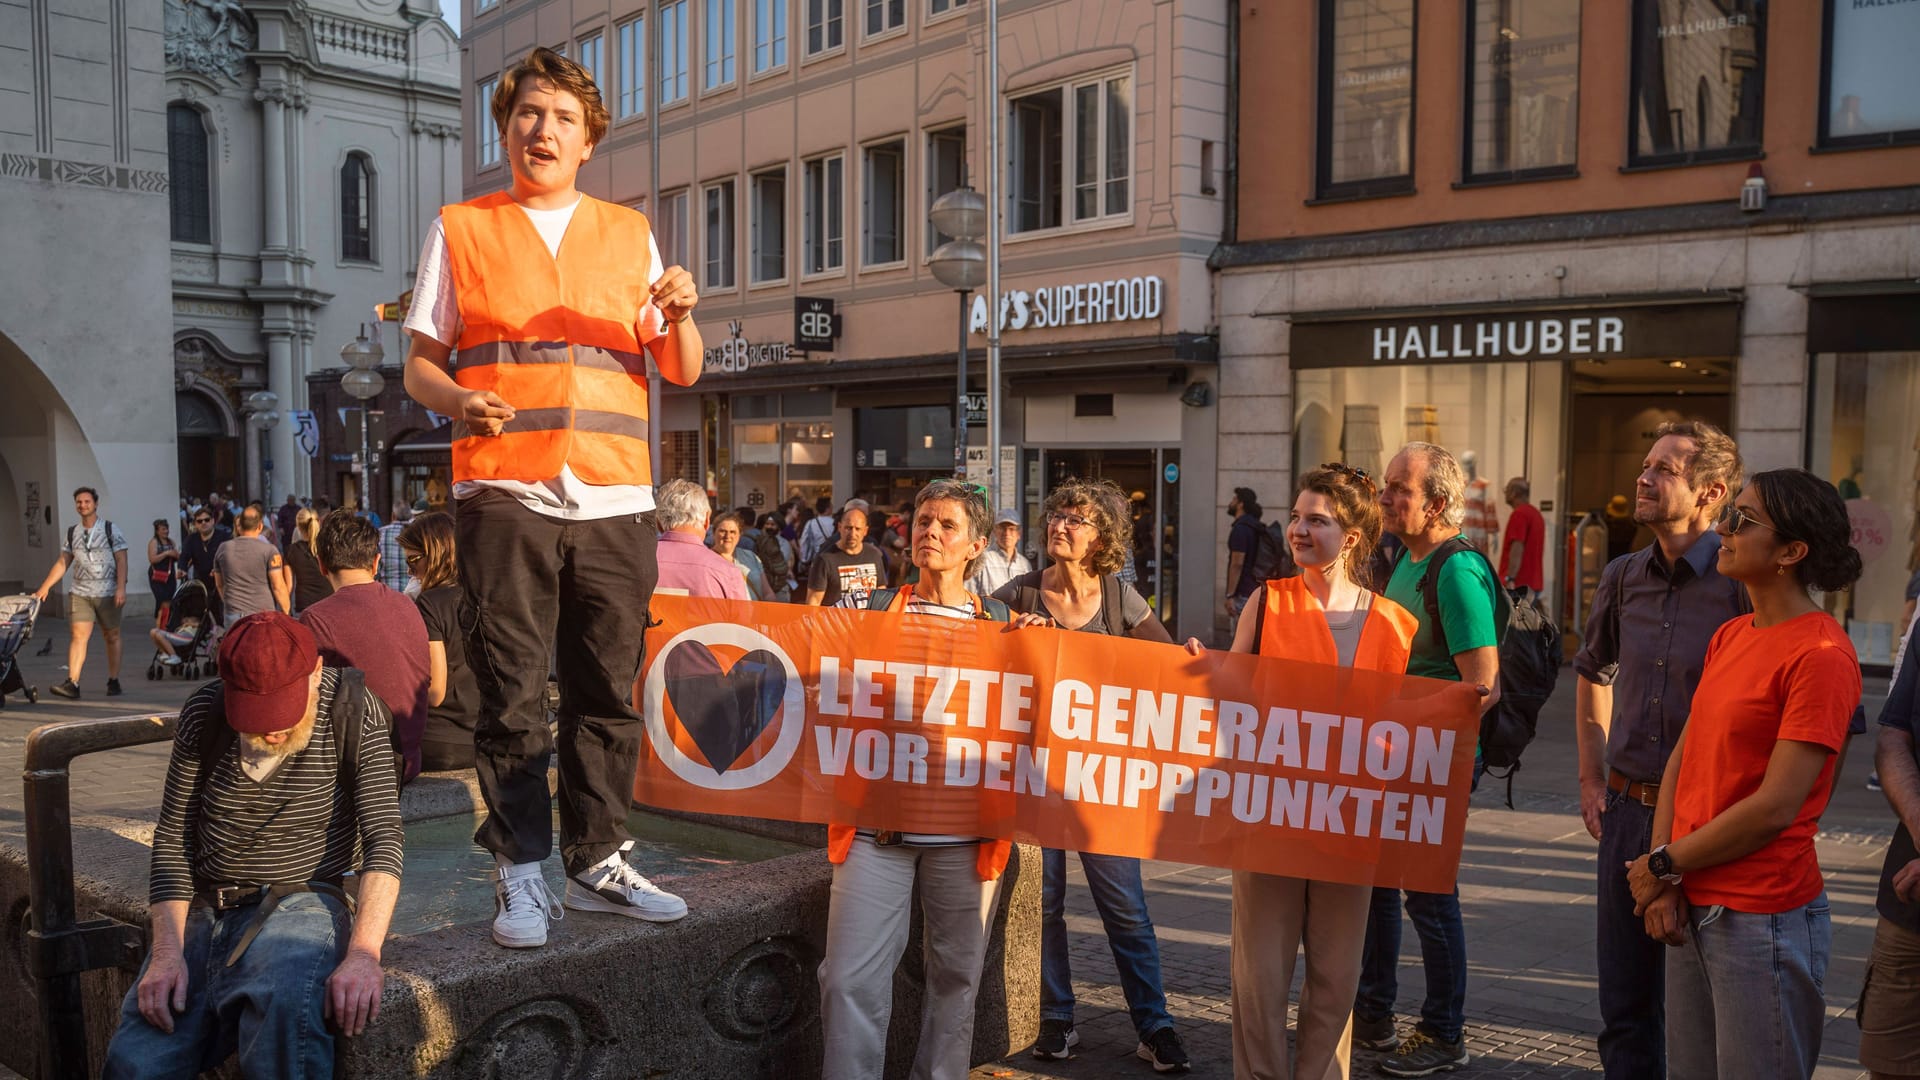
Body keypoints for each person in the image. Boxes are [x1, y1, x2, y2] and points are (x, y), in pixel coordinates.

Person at [400, 46, 703, 948]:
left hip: (614, 494)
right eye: (529, 114)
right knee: (512, 689)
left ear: (587, 140)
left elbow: (680, 368)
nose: (543, 129)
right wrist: (459, 399)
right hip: (504, 487)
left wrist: (684, 310)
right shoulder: (462, 227)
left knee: (610, 686)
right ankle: (522, 871)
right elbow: (420, 363)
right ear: (505, 131)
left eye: (563, 117)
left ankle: (597, 854)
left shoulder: (628, 231)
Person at [1627, 469, 1865, 1080]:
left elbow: (1776, 807)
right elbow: (1685, 757)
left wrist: (1662, 864)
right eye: (1730, 512)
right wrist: (1667, 872)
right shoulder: (1731, 634)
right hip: (1694, 896)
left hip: (1764, 917)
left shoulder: (1821, 655)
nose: (1725, 528)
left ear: (1791, 552)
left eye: (1744, 519)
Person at [99, 612, 402, 1080]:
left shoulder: (355, 710)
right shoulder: (205, 713)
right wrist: (166, 953)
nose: (271, 733)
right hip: (208, 905)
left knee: (284, 1016)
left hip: (301, 896)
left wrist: (364, 954)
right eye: (256, 719)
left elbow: (384, 837)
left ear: (315, 672)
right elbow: (173, 840)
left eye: (281, 715)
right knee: (137, 1059)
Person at [1228, 463, 1425, 1080]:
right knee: (1259, 982)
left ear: (1354, 538)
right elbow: (1227, 695)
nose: (1298, 529)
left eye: (1317, 520)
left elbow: (1403, 723)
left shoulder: (1394, 624)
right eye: (1296, 516)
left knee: (1336, 984)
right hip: (1270, 822)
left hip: (1349, 830)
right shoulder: (1267, 603)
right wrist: (1191, 673)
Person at [995, 479, 1193, 1074]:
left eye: (1078, 520)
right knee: (1045, 903)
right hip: (1036, 785)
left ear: (1101, 536)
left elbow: (1169, 669)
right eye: (1057, 516)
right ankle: (1058, 1018)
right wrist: (1009, 638)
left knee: (1125, 907)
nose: (1062, 526)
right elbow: (978, 670)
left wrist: (1190, 659)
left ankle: (1154, 1025)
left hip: (1102, 787)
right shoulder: (1017, 595)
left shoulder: (1119, 599)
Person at [817, 479, 1011, 1080]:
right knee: (847, 979)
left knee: (957, 981)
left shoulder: (1004, 625)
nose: (929, 532)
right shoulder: (873, 610)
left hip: (966, 837)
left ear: (975, 545)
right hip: (877, 835)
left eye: (947, 525)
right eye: (923, 521)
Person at [1573, 421, 1748, 1080]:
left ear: (1711, 492)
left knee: (1702, 1011)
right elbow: (1592, 669)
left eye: (1664, 469)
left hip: (1706, 823)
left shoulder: (1739, 582)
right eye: (1646, 465)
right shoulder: (1623, 576)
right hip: (1623, 812)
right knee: (1625, 1006)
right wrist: (1592, 779)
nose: (1643, 478)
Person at [1355, 442, 1502, 1078]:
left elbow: (1484, 688)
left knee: (1428, 896)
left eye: (1399, 489)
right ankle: (1374, 1014)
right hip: (1401, 756)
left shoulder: (1455, 570)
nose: (1384, 498)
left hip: (1433, 761)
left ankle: (1445, 1031)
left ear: (1438, 503)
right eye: (1386, 486)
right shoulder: (1408, 560)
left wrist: (1399, 722)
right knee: (1381, 889)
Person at [298, 511, 431, 786]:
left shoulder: (317, 618)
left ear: (322, 565)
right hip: (408, 757)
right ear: (375, 562)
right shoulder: (406, 605)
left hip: (360, 765)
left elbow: (309, 699)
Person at [32, 487, 131, 698]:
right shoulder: (72, 532)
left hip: (108, 591)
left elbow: (122, 559)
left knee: (111, 635)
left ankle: (113, 680)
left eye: (87, 501)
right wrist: (45, 586)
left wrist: (121, 587)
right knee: (78, 636)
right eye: (79, 502)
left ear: (95, 504)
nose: (83, 505)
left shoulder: (110, 529)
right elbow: (63, 561)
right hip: (80, 592)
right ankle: (72, 683)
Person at [399, 512, 478, 773]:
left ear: (435, 555)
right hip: (482, 735)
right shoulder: (481, 595)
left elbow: (435, 692)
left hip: (439, 739)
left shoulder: (429, 604)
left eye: (413, 560)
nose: (410, 571)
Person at [652, 480, 750, 601]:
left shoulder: (635, 562)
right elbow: (741, 619)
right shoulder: (727, 572)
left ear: (658, 523)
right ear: (707, 520)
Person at [212, 506, 290, 623]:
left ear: (240, 526)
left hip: (233, 614)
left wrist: (230, 604)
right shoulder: (269, 550)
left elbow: (219, 584)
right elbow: (278, 586)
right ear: (260, 526)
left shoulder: (223, 548)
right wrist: (286, 613)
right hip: (263, 614)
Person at [806, 507, 887, 607]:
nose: (852, 534)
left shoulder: (874, 555)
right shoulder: (825, 559)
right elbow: (813, 602)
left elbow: (881, 591)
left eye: (857, 529)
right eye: (848, 528)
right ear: (840, 527)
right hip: (835, 621)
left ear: (865, 531)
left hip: (867, 621)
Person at [181, 505, 232, 625]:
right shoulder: (192, 539)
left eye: (207, 520)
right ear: (196, 524)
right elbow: (184, 556)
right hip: (201, 584)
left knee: (220, 616)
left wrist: (220, 569)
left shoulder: (223, 537)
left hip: (221, 583)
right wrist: (182, 569)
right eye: (200, 521)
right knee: (200, 616)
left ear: (213, 521)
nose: (203, 523)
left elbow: (230, 557)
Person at [1496, 477, 1546, 599]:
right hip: (1533, 584)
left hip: (1518, 585)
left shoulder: (1519, 515)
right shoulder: (1536, 514)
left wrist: (1510, 578)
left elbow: (1517, 548)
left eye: (1507, 490)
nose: (1505, 493)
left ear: (1514, 493)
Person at [967, 510, 1031, 597]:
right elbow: (970, 595)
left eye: (1011, 529)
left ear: (1019, 533)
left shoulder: (1024, 565)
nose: (1007, 533)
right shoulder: (982, 559)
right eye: (1002, 528)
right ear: (994, 531)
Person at [711, 513, 773, 601]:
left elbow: (767, 592)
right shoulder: (706, 560)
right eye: (723, 531)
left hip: (756, 613)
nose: (727, 536)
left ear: (740, 535)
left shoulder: (751, 556)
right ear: (714, 533)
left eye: (732, 532)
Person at [283, 507, 334, 615]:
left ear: (297, 526)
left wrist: (286, 612)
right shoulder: (329, 546)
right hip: (330, 602)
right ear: (319, 522)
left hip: (305, 605)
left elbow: (288, 586)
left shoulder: (291, 551)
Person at [1224, 487, 1263, 620]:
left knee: (1240, 637)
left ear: (1240, 504)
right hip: (1256, 590)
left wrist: (1230, 595)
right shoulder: (1256, 526)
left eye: (1234, 499)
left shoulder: (1240, 529)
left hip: (1243, 594)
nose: (1231, 502)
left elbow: (1237, 563)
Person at [754, 512, 796, 601]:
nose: (769, 527)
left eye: (773, 524)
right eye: (767, 524)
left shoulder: (784, 543)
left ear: (779, 526)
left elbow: (781, 564)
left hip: (779, 588)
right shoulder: (759, 540)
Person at [148, 518, 181, 629]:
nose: (166, 531)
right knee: (162, 599)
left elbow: (177, 557)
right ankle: (160, 624)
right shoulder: (154, 542)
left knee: (169, 599)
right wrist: (166, 553)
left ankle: (164, 623)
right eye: (163, 529)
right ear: (157, 531)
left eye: (166, 529)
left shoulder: (171, 542)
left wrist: (175, 555)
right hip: (157, 576)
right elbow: (152, 559)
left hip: (169, 574)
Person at [377, 504, 413, 592]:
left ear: (393, 515)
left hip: (388, 592)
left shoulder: (380, 533)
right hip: (413, 592)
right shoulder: (418, 532)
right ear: (411, 515)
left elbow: (376, 568)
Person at [1603, 494, 1639, 563]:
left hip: (1607, 563)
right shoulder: (1632, 526)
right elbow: (1633, 547)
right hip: (1624, 562)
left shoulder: (1606, 526)